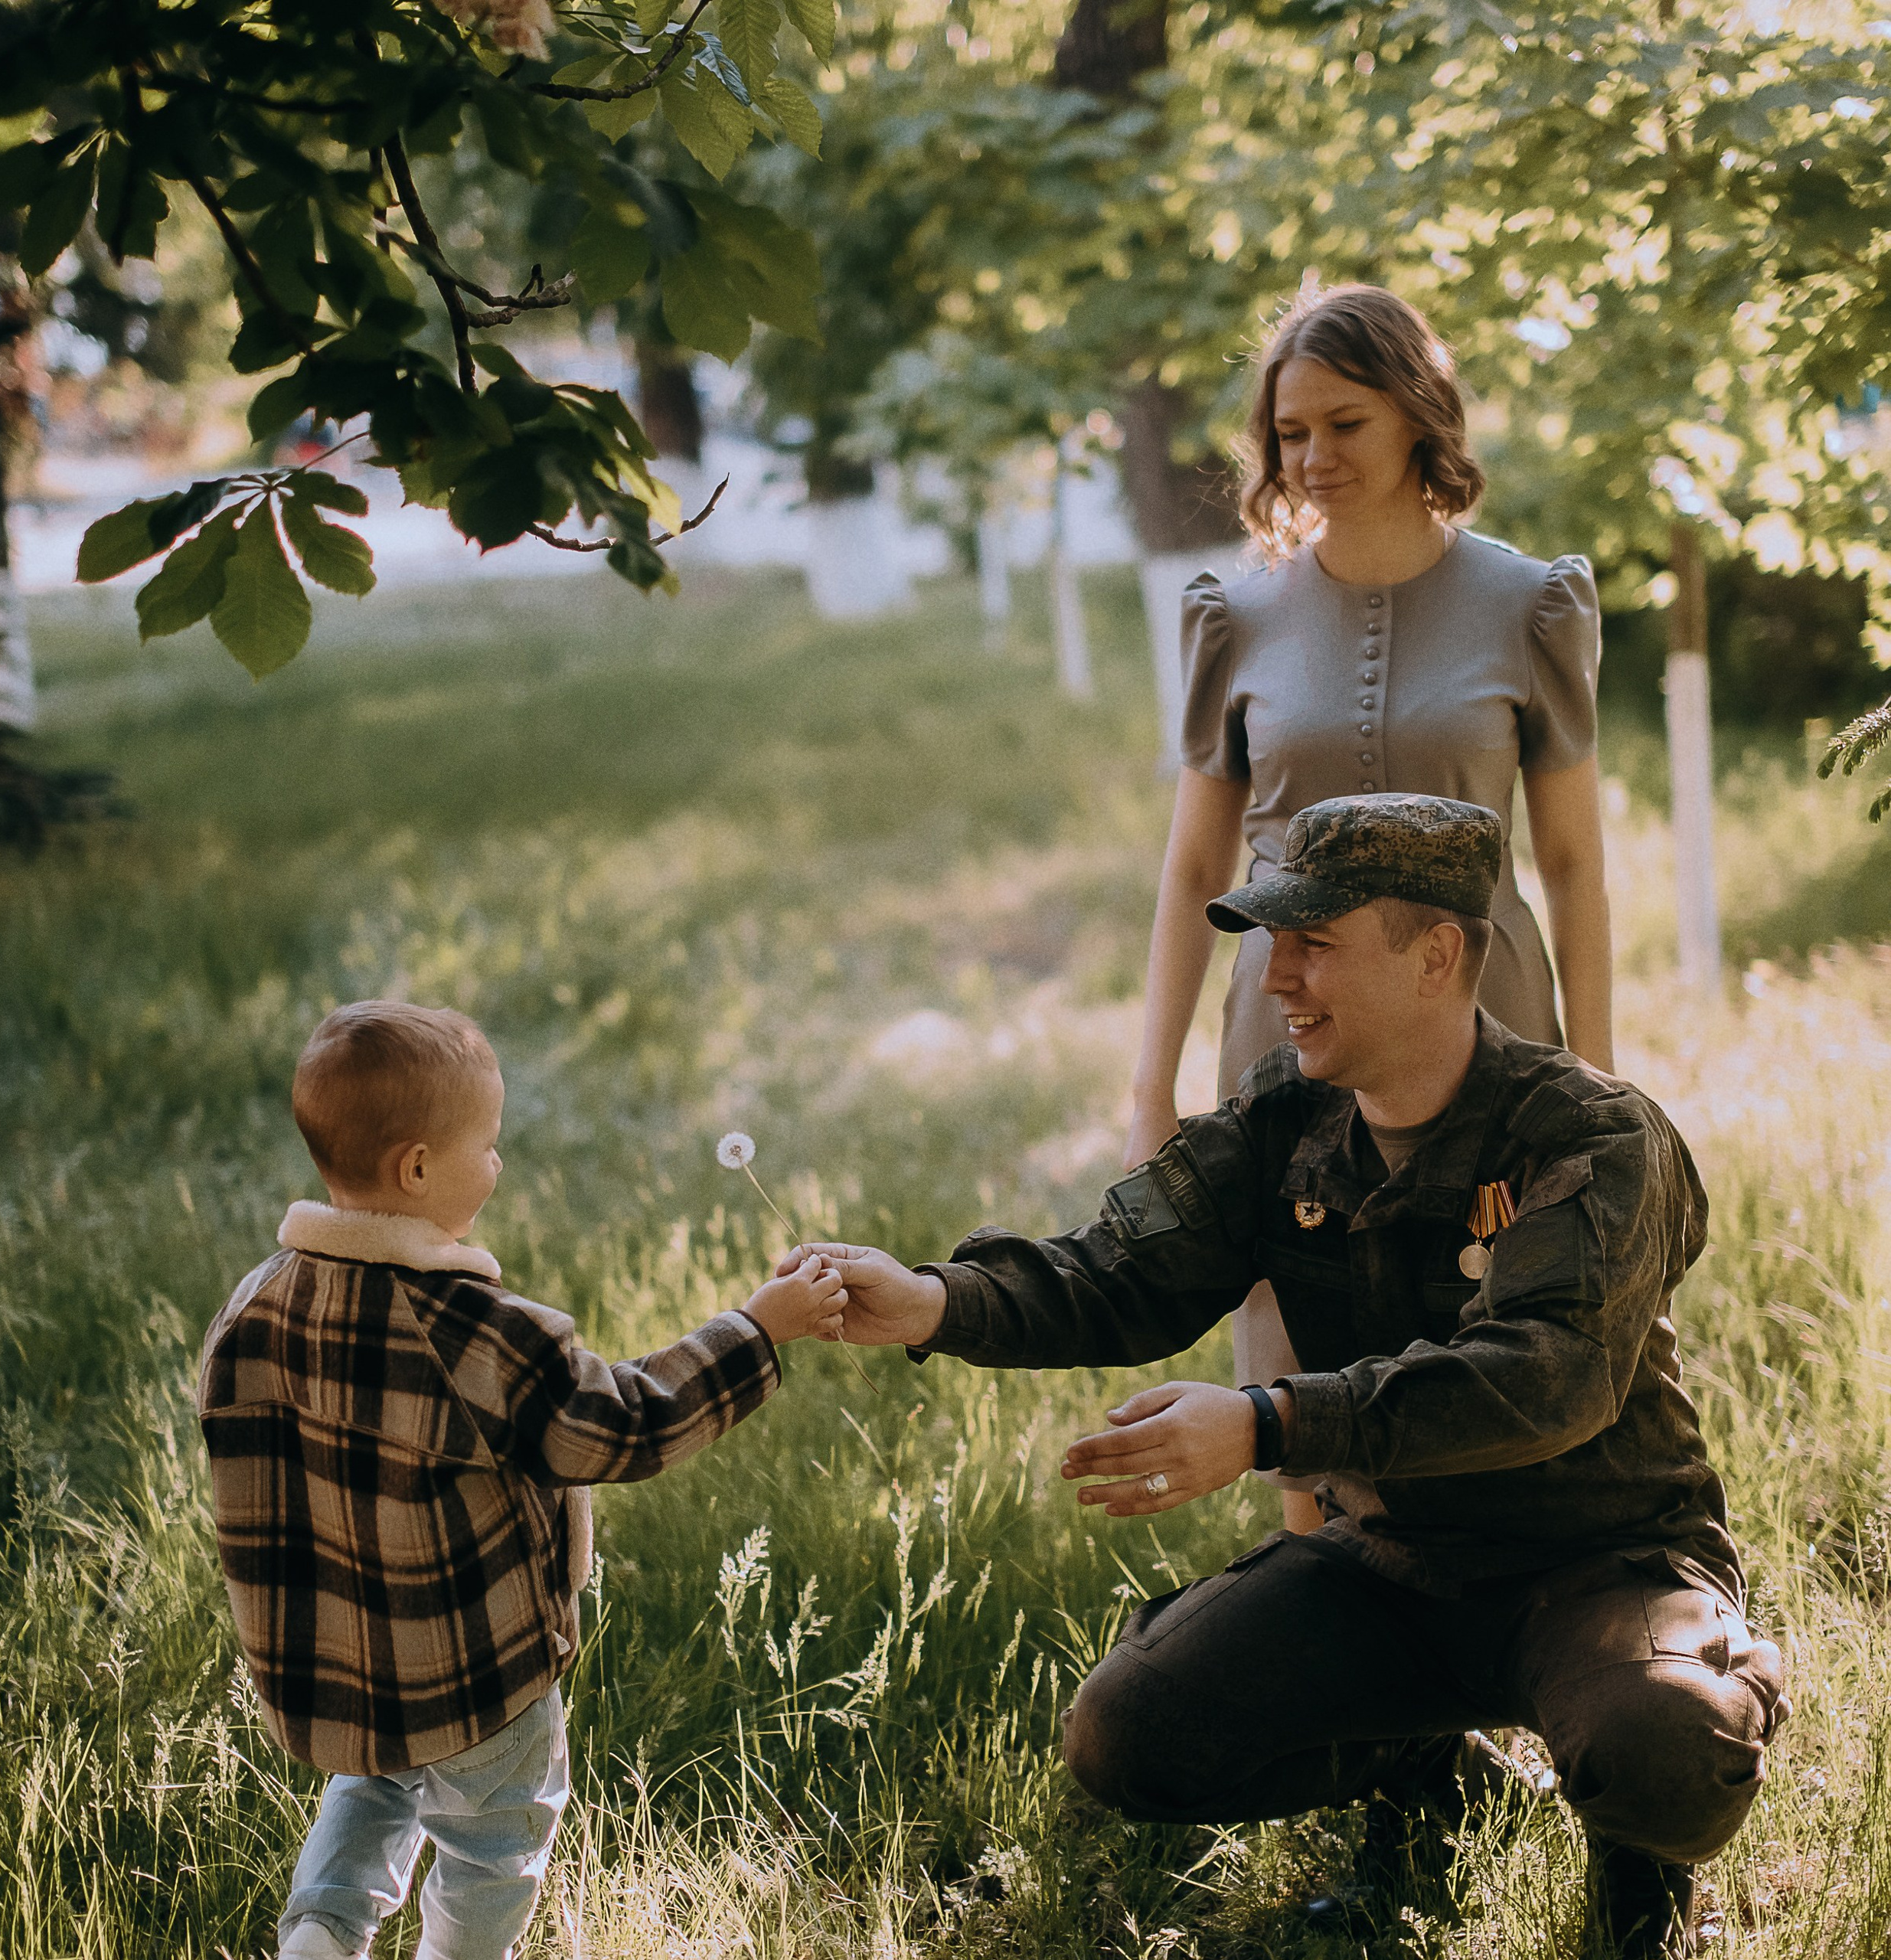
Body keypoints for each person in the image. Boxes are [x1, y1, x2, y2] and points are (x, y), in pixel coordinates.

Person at [795, 796, 1785, 1960]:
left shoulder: (1592, 1137)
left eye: (1314, 943)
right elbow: (1120, 1269)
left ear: (1437, 955)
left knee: (1664, 1743)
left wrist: (1269, 1424)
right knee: (1130, 1730)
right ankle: (1438, 1788)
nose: (1276, 977)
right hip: (1397, 1567)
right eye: (1273, 942)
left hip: (1598, 1564)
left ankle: (1644, 1876)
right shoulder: (1283, 1119)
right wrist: (939, 1301)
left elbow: (1543, 1380)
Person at [196, 1001, 848, 1960]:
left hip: (345, 1669)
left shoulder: (253, 1306)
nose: (498, 1162)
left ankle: (321, 1938)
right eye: (488, 1144)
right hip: (476, 1669)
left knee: (372, 1785)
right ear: (418, 1167)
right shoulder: (478, 1333)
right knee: (494, 1839)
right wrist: (758, 1328)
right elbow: (623, 1424)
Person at [1123, 283, 1615, 1536]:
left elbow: (1572, 864)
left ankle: (1480, 1658)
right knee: (1292, 1371)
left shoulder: (1531, 605)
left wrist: (1601, 1083)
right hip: (1285, 1033)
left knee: (1491, 1351)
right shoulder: (1233, 616)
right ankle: (1333, 1680)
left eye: (1344, 425)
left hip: (1486, 1028)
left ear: (1416, 417)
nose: (1312, 459)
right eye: (1291, 433)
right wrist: (1150, 1087)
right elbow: (1192, 872)